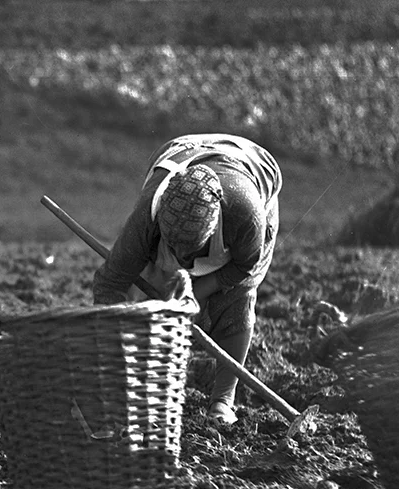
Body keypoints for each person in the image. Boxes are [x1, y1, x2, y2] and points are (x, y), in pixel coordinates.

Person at [92, 133, 282, 424]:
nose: (182, 258)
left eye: (190, 250)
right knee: (144, 288)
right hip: (185, 150)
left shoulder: (247, 218)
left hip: (251, 170)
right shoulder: (146, 220)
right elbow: (110, 284)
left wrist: (195, 295)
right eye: (173, 247)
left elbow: (243, 268)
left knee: (235, 299)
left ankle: (223, 401)